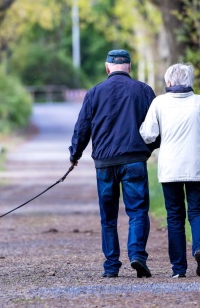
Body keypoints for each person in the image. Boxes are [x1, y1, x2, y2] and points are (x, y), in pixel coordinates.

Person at [69, 49, 160, 278]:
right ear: (129, 67)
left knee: (108, 216)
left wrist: (75, 155)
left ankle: (111, 266)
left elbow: (82, 128)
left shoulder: (94, 93)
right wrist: (147, 150)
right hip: (134, 160)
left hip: (105, 163)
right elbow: (156, 127)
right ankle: (137, 254)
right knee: (138, 211)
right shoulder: (144, 91)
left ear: (107, 67)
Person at [139, 63, 200, 278]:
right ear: (190, 81)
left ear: (168, 82)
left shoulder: (159, 103)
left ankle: (178, 269)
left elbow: (148, 134)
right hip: (197, 165)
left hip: (170, 168)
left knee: (174, 217)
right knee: (198, 211)